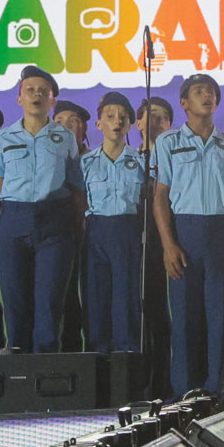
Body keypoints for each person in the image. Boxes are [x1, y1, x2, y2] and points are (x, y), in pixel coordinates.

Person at [152, 73, 224, 396]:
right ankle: (184, 392)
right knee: (183, 320)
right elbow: (160, 199)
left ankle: (217, 392)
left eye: (211, 92)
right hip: (185, 233)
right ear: (184, 103)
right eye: (198, 92)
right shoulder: (168, 143)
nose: (207, 96)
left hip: (222, 234)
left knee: (220, 319)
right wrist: (168, 245)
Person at [0, 67, 80, 353]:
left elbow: (75, 183)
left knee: (49, 300)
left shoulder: (65, 137)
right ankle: (16, 366)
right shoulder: (2, 139)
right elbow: (0, 181)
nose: (37, 95)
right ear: (19, 99)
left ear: (53, 101)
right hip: (14, 219)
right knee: (14, 299)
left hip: (55, 221)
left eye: (44, 91)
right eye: (30, 90)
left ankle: (46, 371)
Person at [81, 93, 150, 357]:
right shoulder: (85, 163)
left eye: (123, 117)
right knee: (95, 301)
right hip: (95, 231)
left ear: (131, 125)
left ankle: (127, 365)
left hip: (128, 231)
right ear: (98, 124)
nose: (117, 122)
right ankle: (97, 365)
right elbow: (78, 202)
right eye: (110, 116)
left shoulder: (141, 162)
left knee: (127, 302)